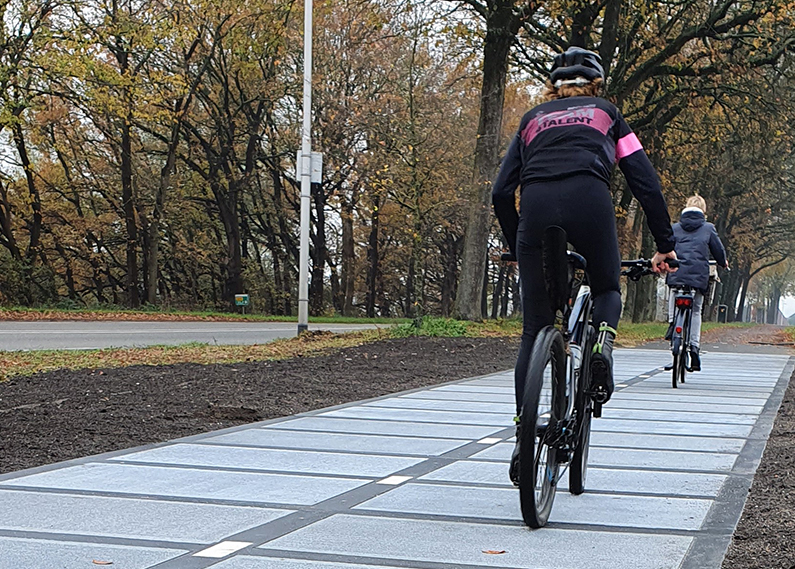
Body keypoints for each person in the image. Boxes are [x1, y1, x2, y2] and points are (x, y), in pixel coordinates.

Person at [491, 46, 677, 485]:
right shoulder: (607, 113)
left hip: (535, 207)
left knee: (534, 329)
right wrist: (664, 244)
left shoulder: (531, 120)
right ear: (596, 82)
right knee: (607, 287)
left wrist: (517, 245)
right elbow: (644, 181)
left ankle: (524, 441)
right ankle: (602, 349)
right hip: (589, 199)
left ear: (553, 85)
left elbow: (501, 192)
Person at [664, 195, 728, 371]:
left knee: (673, 291)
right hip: (698, 277)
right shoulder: (708, 228)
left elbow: (665, 247)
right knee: (696, 311)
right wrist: (723, 262)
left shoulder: (675, 228)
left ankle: (672, 324)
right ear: (703, 211)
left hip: (676, 273)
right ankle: (694, 347)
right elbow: (718, 250)